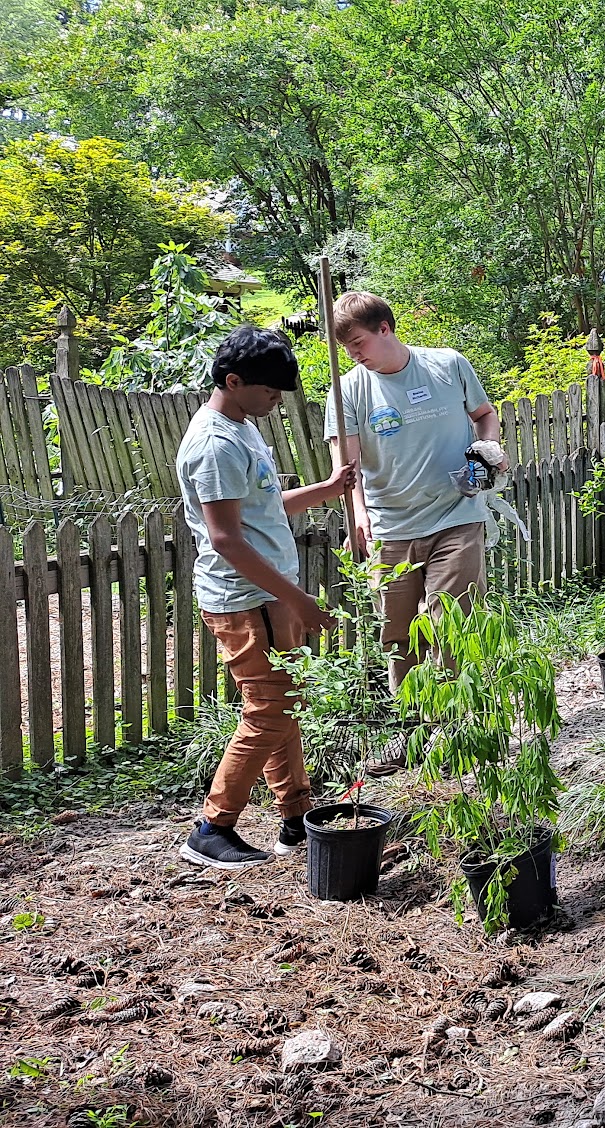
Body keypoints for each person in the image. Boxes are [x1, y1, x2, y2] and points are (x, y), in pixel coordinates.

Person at [176, 328, 357, 869]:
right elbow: (226, 537)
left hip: (266, 592)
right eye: (271, 393)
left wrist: (326, 489)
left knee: (285, 706)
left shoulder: (242, 427)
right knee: (269, 707)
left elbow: (262, 506)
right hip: (244, 598)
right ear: (233, 382)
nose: (277, 403)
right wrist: (299, 599)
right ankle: (213, 826)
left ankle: (296, 815)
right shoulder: (214, 445)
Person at [324, 291, 506, 694]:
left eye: (357, 343)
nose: (353, 354)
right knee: (398, 637)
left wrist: (487, 449)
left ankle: (456, 724)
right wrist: (358, 514)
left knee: (453, 627)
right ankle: (414, 726)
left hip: (456, 515)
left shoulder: (447, 365)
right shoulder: (347, 392)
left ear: (384, 328)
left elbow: (485, 415)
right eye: (345, 348)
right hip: (389, 526)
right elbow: (346, 466)